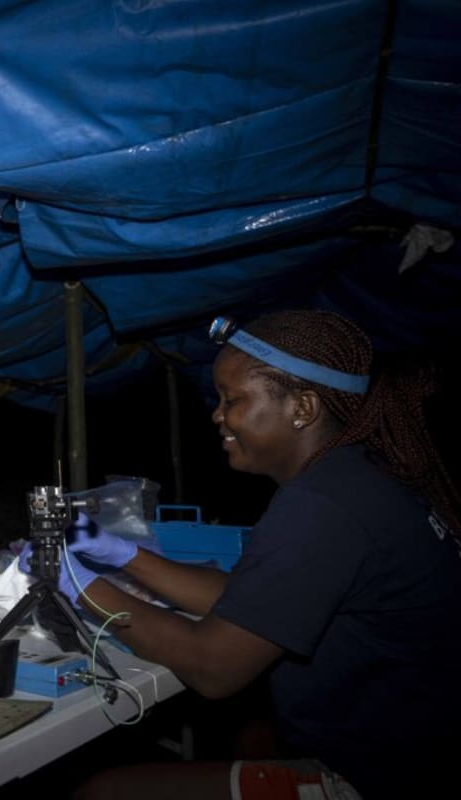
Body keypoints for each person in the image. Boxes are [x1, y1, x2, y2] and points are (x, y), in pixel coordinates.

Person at [37, 309, 461, 799]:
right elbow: (252, 601)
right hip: (416, 745)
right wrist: (119, 553)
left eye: (232, 399)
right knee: (250, 738)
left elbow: (213, 667)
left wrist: (80, 586)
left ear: (302, 408)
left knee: (105, 793)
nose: (217, 415)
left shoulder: (323, 505)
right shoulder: (361, 475)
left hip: (383, 777)